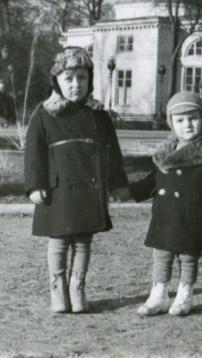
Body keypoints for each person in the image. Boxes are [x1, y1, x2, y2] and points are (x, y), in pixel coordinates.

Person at [24, 46, 129, 314]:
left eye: (82, 78)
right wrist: (35, 185)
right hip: (58, 189)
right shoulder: (44, 114)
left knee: (83, 240)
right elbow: (33, 154)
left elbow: (112, 154)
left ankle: (77, 289)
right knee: (59, 240)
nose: (76, 85)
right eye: (69, 78)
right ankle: (57, 290)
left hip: (89, 187)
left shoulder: (99, 116)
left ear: (90, 80)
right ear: (56, 82)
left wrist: (118, 184)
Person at [129, 91, 202, 316]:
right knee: (161, 253)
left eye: (193, 118)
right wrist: (131, 191)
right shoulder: (166, 152)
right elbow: (154, 179)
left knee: (188, 255)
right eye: (179, 120)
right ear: (172, 124)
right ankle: (158, 294)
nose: (187, 125)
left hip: (195, 213)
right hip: (166, 213)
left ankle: (184, 295)